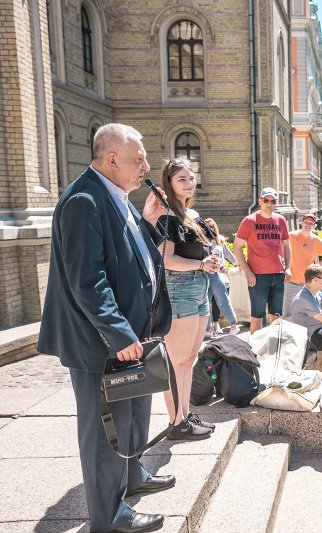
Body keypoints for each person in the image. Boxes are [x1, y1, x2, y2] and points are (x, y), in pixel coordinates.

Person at [38, 123, 173, 533]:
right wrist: (118, 333)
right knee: (105, 431)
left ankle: (132, 477)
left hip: (133, 335)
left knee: (133, 415)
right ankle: (109, 515)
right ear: (111, 159)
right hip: (104, 343)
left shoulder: (118, 197)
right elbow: (87, 280)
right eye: (138, 159)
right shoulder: (84, 200)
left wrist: (150, 222)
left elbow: (129, 256)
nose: (146, 166)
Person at [159, 159, 221, 440]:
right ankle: (176, 422)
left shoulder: (190, 212)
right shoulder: (167, 214)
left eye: (191, 177)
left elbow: (198, 250)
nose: (188, 182)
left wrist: (211, 260)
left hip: (199, 287)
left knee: (190, 358)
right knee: (177, 361)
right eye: (181, 179)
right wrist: (200, 265)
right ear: (169, 183)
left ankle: (184, 414)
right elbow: (167, 260)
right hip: (180, 288)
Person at [233, 187, 291, 333]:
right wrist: (247, 271)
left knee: (276, 316)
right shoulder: (249, 221)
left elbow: (286, 245)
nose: (269, 204)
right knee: (257, 316)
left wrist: (288, 267)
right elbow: (237, 248)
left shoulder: (281, 220)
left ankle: (273, 349)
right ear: (260, 201)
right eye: (266, 200)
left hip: (278, 275)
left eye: (273, 201)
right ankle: (255, 350)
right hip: (257, 276)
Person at [283, 212, 322, 320]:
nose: (308, 225)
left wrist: (318, 266)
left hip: (308, 284)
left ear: (314, 225)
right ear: (302, 222)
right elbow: (280, 250)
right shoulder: (291, 236)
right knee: (288, 314)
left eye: (311, 223)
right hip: (292, 281)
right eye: (306, 222)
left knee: (308, 314)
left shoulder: (316, 239)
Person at [203, 217, 239, 336]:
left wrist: (237, 265)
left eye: (212, 226)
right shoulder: (201, 241)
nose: (210, 228)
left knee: (223, 300)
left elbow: (228, 254)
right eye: (207, 226)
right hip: (204, 274)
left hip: (217, 275)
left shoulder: (219, 241)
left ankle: (233, 325)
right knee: (205, 302)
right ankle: (208, 329)